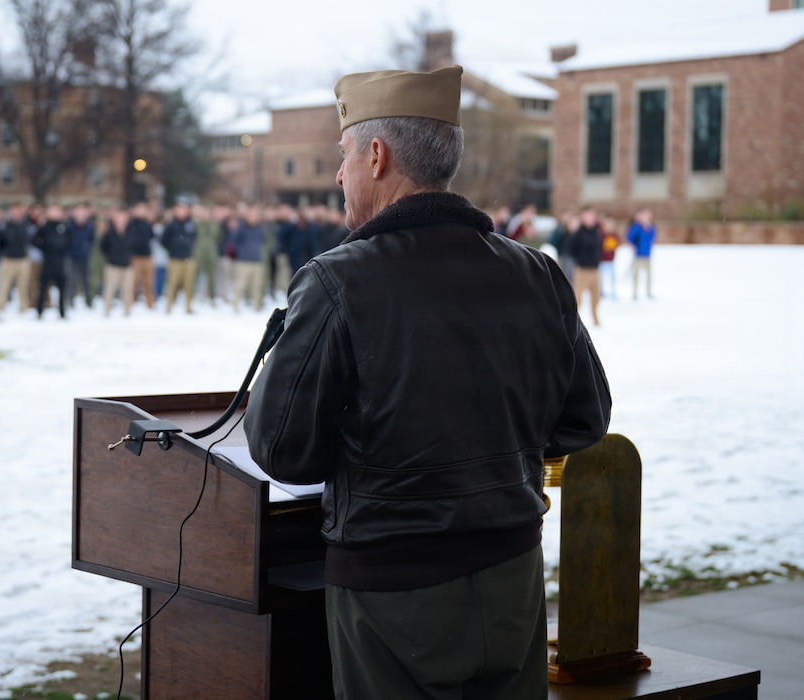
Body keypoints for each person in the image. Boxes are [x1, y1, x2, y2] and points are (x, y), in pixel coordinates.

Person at [244, 65, 611, 700]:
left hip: (394, 587)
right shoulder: (535, 273)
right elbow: (583, 420)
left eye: (343, 156)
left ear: (377, 156)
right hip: (512, 577)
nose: (338, 175)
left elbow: (283, 451)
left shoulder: (339, 280)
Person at [33, 204, 71, 319]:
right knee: (43, 287)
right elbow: (34, 240)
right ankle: (39, 311)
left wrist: (63, 248)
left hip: (60, 262)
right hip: (47, 261)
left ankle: (62, 311)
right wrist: (44, 248)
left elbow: (70, 241)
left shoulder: (64, 226)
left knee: (62, 289)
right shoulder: (44, 227)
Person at [161, 200, 198, 313]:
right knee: (172, 284)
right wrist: (173, 249)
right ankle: (168, 307)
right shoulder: (171, 225)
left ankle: (188, 307)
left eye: (184, 209)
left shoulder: (191, 224)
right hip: (175, 259)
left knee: (189, 284)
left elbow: (195, 238)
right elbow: (163, 240)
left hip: (189, 259)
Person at [0, 201, 33, 313]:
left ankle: (23, 307)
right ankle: (0, 307)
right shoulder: (5, 225)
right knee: (4, 285)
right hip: (8, 259)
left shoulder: (26, 225)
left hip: (23, 259)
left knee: (23, 285)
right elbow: (0, 241)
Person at [569, 206, 604, 326]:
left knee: (596, 297)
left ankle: (596, 320)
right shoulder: (578, 232)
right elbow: (570, 248)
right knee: (578, 298)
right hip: (582, 269)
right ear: (583, 217)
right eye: (588, 215)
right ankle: (573, 322)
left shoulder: (597, 231)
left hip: (594, 269)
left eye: (592, 215)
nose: (590, 218)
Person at [100, 204, 135, 316]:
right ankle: (107, 309)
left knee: (127, 290)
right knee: (109, 289)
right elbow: (103, 247)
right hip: (113, 265)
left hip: (127, 265)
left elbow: (135, 246)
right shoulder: (109, 232)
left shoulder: (131, 231)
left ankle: (127, 310)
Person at [66, 201, 95, 308]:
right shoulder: (69, 225)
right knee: (72, 280)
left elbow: (91, 239)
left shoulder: (89, 225)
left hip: (85, 256)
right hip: (72, 256)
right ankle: (69, 299)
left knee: (86, 280)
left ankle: (88, 301)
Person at [627, 208, 657, 299]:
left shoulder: (651, 227)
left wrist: (648, 228)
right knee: (636, 275)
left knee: (648, 275)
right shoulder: (636, 227)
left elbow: (652, 238)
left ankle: (648, 292)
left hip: (647, 255)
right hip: (638, 255)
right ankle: (635, 293)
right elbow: (630, 237)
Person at [599, 215, 621, 299]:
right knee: (601, 279)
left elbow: (617, 244)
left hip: (611, 261)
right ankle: (601, 292)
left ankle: (613, 292)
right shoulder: (601, 235)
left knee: (612, 278)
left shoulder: (615, 235)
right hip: (602, 261)